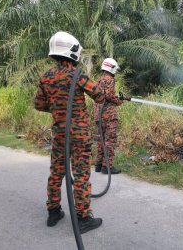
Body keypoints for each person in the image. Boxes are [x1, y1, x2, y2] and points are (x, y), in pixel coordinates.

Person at [34, 31, 113, 233]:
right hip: (79, 137)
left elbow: (39, 104)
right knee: (80, 176)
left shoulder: (46, 77)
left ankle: (53, 211)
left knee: (56, 173)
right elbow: (99, 96)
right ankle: (83, 217)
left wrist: (57, 108)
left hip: (60, 135)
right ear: (72, 52)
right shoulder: (78, 75)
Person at [93, 58, 126, 175]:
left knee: (100, 140)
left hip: (98, 115)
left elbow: (101, 95)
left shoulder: (98, 80)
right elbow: (109, 95)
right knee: (110, 141)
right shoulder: (110, 79)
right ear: (111, 68)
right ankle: (107, 167)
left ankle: (98, 165)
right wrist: (118, 101)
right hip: (109, 115)